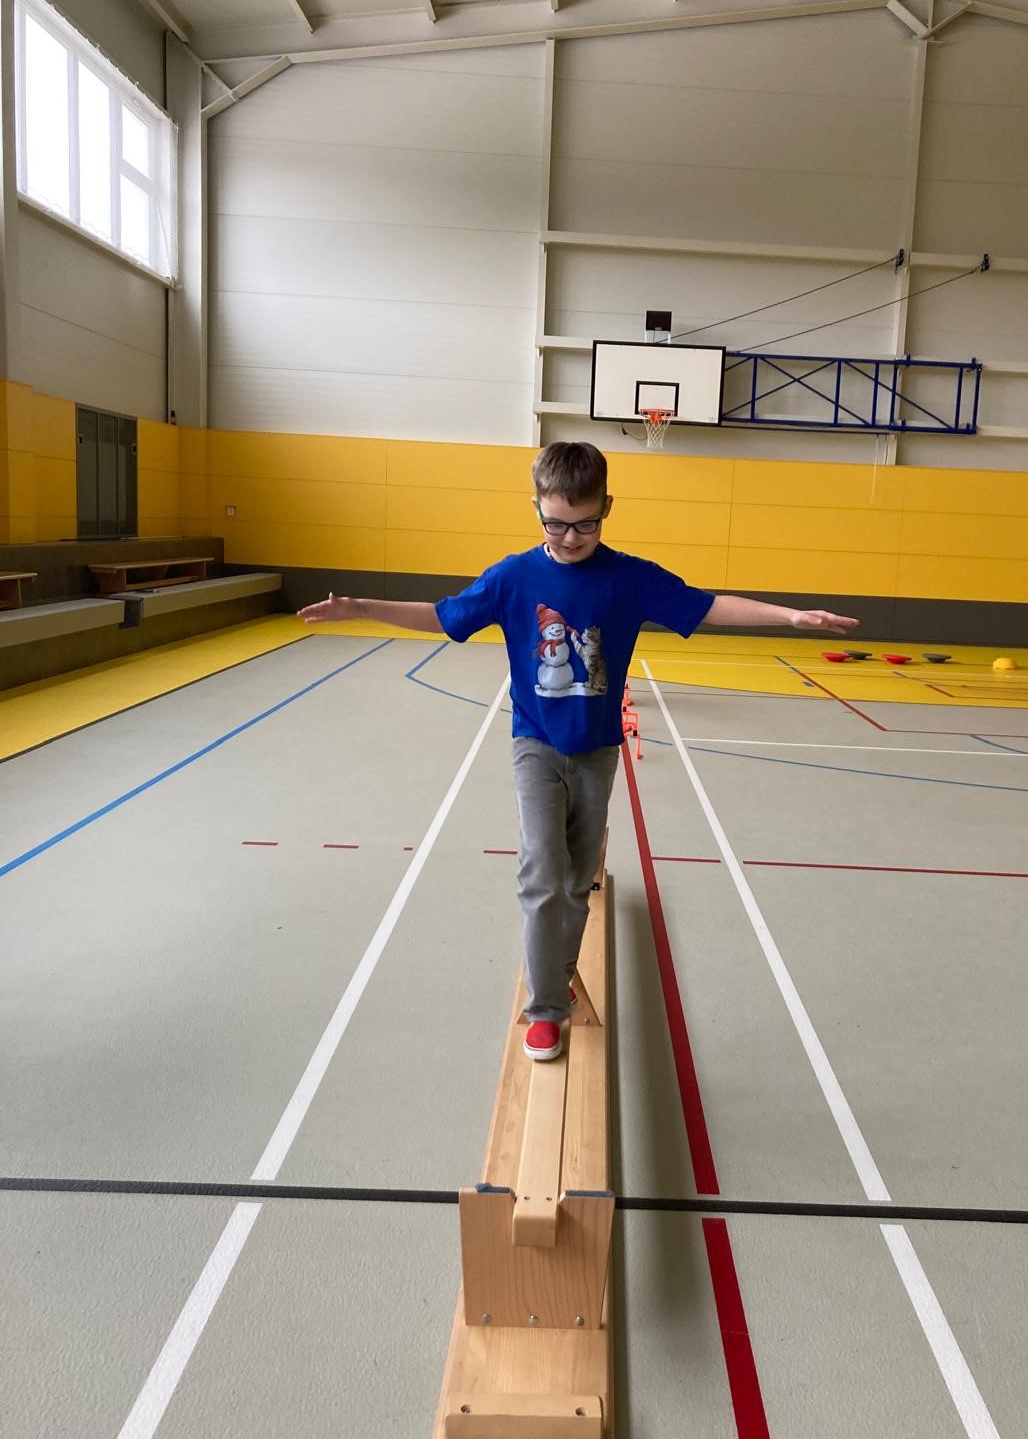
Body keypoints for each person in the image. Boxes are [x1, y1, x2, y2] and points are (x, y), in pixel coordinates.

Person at [298, 442, 858, 1062]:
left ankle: (558, 977)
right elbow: (443, 616)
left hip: (597, 750)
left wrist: (790, 617)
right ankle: (545, 1009)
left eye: (585, 524)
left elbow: (709, 605)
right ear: (536, 508)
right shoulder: (514, 577)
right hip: (535, 743)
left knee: (575, 881)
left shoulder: (631, 578)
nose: (569, 538)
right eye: (556, 523)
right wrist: (360, 608)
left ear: (607, 507)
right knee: (541, 873)